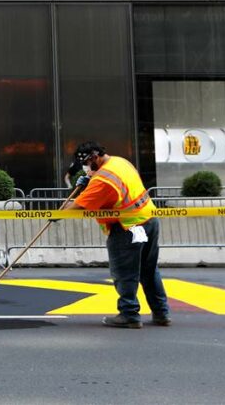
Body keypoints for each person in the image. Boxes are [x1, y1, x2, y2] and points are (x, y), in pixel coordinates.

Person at [60, 141, 171, 329]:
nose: (86, 168)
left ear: (94, 157)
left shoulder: (103, 180)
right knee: (149, 270)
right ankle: (161, 313)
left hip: (127, 228)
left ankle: (129, 315)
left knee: (125, 272)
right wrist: (89, 179)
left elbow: (77, 207)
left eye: (87, 164)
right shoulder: (120, 162)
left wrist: (57, 215)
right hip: (149, 220)